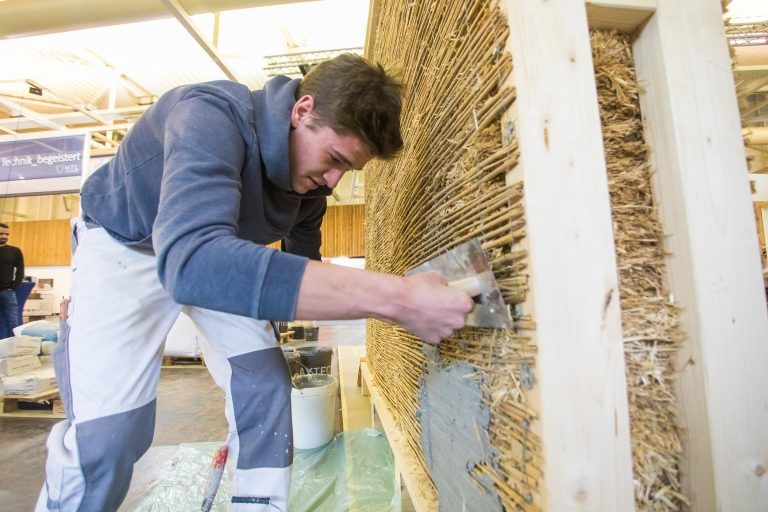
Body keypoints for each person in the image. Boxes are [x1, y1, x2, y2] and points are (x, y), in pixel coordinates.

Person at [37, 54, 473, 511]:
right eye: (334, 159)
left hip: (217, 254)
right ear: (302, 110)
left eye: (347, 170)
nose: (333, 180)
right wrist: (399, 298)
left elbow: (302, 272)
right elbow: (192, 264)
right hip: (129, 247)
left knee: (264, 387)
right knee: (111, 435)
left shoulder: (309, 192)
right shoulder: (207, 114)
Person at [0, 223, 24, 338]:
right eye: (1, 234)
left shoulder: (15, 251)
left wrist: (14, 286)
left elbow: (20, 271)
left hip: (7, 292)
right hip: (7, 292)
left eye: (7, 234)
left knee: (13, 324)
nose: (4, 236)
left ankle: (12, 347)